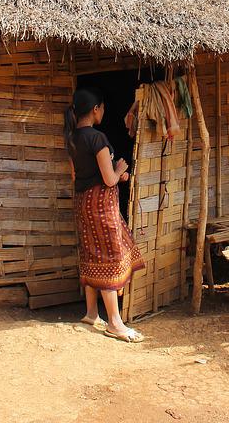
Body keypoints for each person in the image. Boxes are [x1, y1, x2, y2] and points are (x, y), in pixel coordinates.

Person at [64, 87, 146, 342]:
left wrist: (111, 175)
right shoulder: (97, 138)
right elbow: (109, 179)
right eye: (103, 108)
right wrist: (119, 168)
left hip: (83, 203)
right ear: (96, 109)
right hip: (101, 205)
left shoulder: (72, 138)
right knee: (110, 255)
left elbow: (79, 176)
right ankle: (114, 322)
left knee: (91, 252)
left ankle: (91, 313)